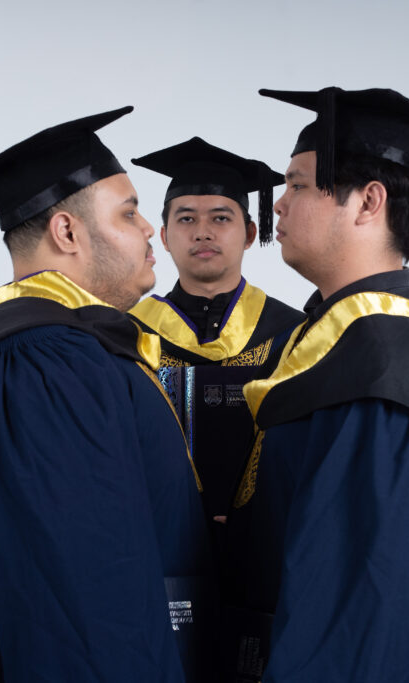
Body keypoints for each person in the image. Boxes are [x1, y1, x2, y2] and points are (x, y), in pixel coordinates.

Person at [0, 107, 212, 682]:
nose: (149, 230)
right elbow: (80, 612)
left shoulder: (53, 351)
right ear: (67, 232)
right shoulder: (46, 367)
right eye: (128, 213)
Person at [224, 88, 409, 683]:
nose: (279, 204)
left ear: (367, 202)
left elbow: (360, 618)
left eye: (298, 185)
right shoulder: (348, 347)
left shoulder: (382, 371)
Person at [127, 137, 303, 525]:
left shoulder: (294, 334)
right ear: (164, 237)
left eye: (221, 218)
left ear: (250, 233)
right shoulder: (129, 334)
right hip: (156, 540)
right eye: (186, 219)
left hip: (267, 541)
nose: (203, 232)